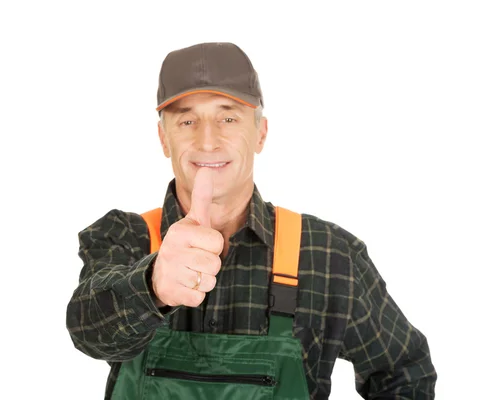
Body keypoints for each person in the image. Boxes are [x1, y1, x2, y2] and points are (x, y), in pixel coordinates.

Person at [66, 42, 436, 399]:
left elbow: (405, 373)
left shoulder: (329, 255)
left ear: (260, 133)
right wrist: (153, 285)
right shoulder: (123, 237)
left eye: (228, 117)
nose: (207, 140)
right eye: (187, 120)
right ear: (164, 138)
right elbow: (88, 330)